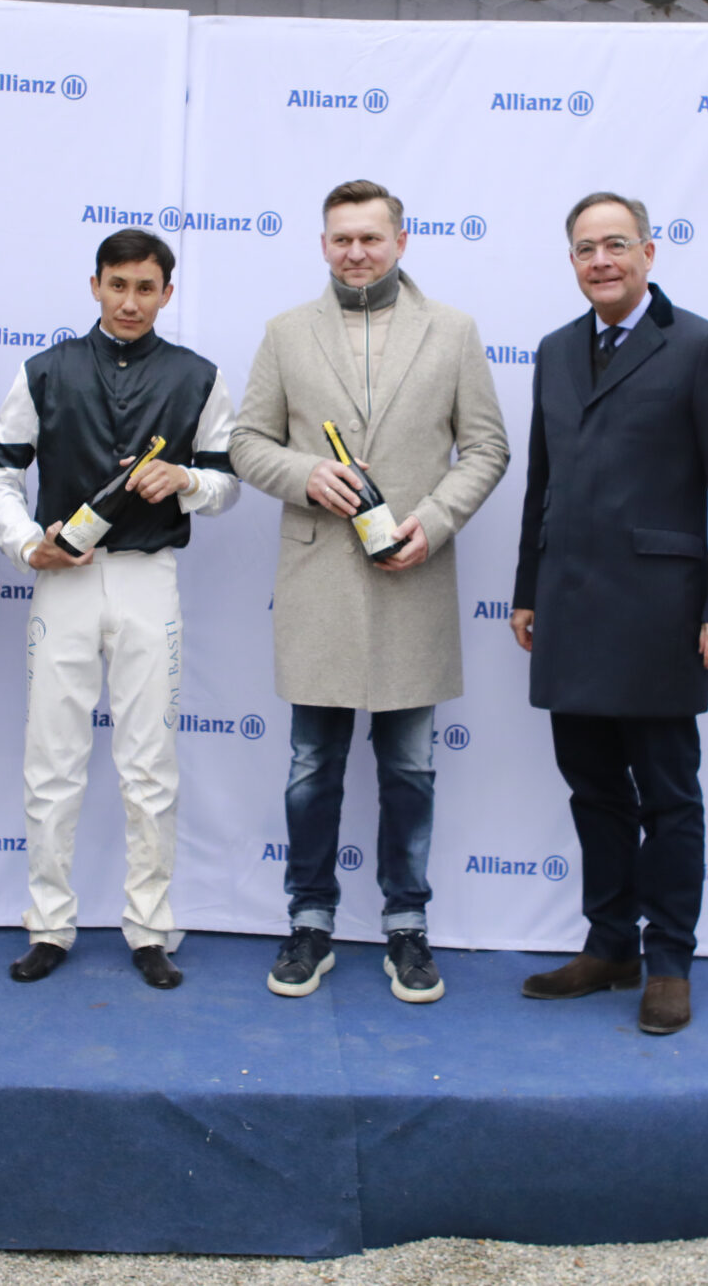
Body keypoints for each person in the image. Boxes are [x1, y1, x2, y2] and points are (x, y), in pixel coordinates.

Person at [229, 179, 509, 1003]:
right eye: (341, 237)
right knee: (311, 765)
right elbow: (246, 443)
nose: (356, 250)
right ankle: (309, 920)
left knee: (411, 770)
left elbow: (486, 449)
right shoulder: (285, 334)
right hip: (318, 582)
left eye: (371, 237)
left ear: (401, 240)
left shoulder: (452, 332)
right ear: (322, 244)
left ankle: (406, 927)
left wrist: (434, 520)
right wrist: (305, 472)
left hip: (412, 575)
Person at [508, 191, 708, 1035]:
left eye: (617, 244)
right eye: (585, 248)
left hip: (662, 613)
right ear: (572, 261)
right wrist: (526, 588)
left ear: (650, 252)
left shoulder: (701, 348)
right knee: (593, 789)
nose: (601, 260)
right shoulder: (552, 351)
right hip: (570, 609)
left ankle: (670, 962)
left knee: (667, 794)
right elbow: (540, 483)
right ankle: (610, 943)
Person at [0, 228, 239, 989]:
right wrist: (28, 543)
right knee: (51, 759)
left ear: (167, 291)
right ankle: (50, 924)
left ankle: (150, 927)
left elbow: (227, 482)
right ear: (94, 284)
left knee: (149, 763)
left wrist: (186, 481)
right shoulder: (44, 371)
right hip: (64, 579)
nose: (130, 301)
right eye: (118, 285)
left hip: (147, 576)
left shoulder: (199, 377)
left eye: (146, 287)